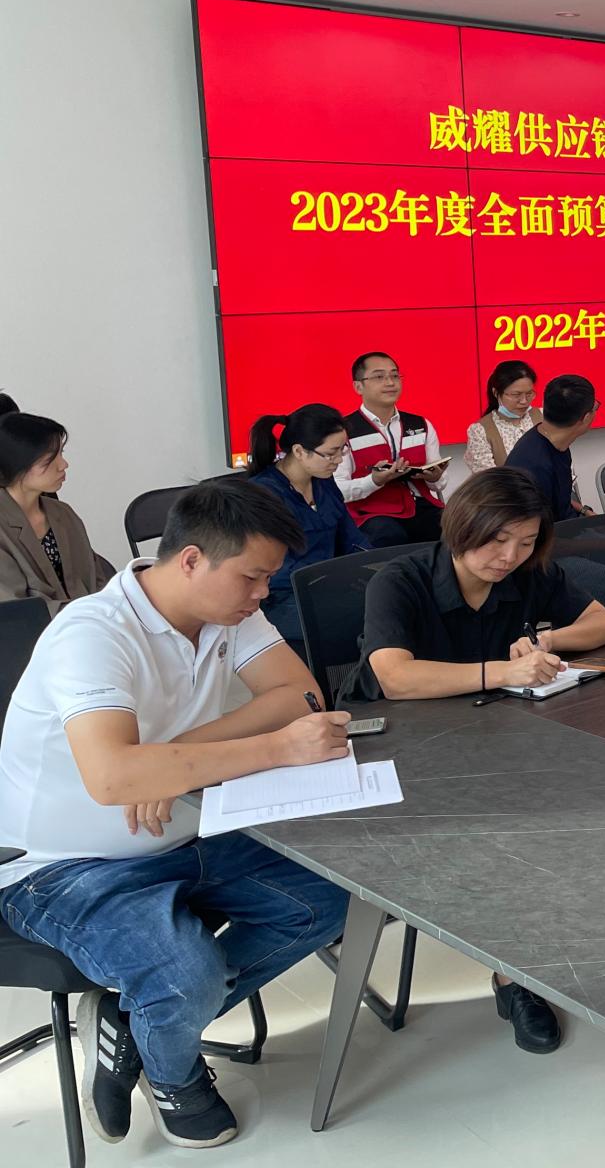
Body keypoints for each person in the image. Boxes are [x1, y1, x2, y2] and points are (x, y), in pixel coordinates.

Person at [0, 481, 351, 1149]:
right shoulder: (93, 631)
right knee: (185, 974)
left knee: (331, 898)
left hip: (188, 832)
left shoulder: (229, 615)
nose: (263, 594)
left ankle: (138, 1023)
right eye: (252, 577)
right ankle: (174, 1072)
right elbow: (114, 778)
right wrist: (272, 747)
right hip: (62, 866)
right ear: (192, 560)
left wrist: (172, 758)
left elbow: (300, 694)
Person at [351, 469, 605, 1051]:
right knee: (515, 824)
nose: (509, 557)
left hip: (489, 732)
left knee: (588, 791)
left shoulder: (526, 572)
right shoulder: (400, 580)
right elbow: (395, 677)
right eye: (497, 540)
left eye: (525, 543)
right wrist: (503, 670)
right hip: (401, 748)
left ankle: (566, 932)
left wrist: (547, 642)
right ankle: (514, 974)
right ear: (461, 526)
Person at [243, 404, 370, 658]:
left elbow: (351, 538)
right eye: (331, 453)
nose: (339, 460)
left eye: (343, 450)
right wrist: (330, 580)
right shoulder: (264, 493)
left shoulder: (324, 482)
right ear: (299, 451)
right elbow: (272, 568)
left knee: (390, 607)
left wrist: (376, 565)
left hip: (329, 587)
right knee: (352, 624)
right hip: (284, 597)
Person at [0, 412, 112, 609]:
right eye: (50, 459)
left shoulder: (63, 513)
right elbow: (16, 610)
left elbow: (98, 581)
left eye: (61, 453)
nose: (63, 465)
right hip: (39, 627)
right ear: (18, 463)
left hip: (92, 619)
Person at [335, 351, 447, 547]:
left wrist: (434, 477)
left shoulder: (421, 424)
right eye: (379, 377)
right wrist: (374, 481)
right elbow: (337, 489)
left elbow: (439, 484)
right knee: (388, 535)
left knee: (455, 528)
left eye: (395, 375)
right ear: (358, 386)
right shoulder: (343, 431)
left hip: (420, 506)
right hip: (371, 513)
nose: (390, 382)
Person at [504, 373, 597, 523]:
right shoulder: (535, 467)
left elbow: (559, 498)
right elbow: (535, 529)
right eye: (595, 408)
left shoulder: (553, 441)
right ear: (586, 418)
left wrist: (584, 510)